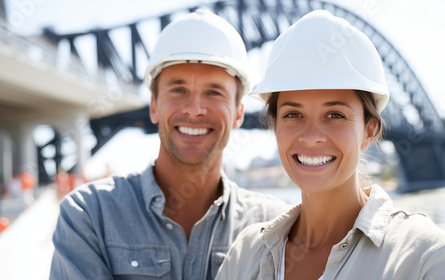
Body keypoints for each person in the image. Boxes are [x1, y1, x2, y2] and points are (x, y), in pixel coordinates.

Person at [215, 10, 445, 280]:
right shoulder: (244, 255)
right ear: (275, 126)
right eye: (293, 115)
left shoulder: (427, 259)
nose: (311, 136)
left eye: (335, 115)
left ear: (369, 131)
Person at [49, 10, 289, 280]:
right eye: (178, 89)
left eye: (214, 92)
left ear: (238, 113)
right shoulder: (89, 215)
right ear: (153, 106)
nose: (195, 109)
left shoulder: (274, 226)